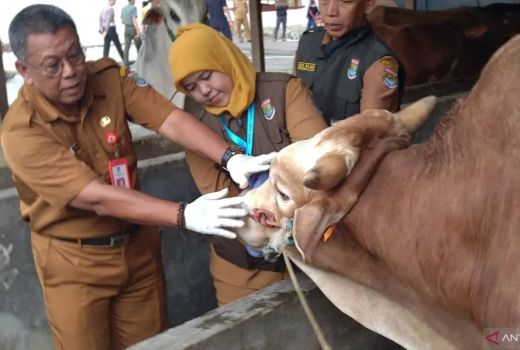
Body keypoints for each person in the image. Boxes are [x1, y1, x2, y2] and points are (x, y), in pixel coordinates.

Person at [2, 5, 274, 350]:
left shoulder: (106, 78)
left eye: (76, 55)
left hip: (138, 248)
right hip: (75, 263)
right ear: (24, 70)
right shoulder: (21, 132)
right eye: (53, 66)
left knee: (151, 343)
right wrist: (186, 214)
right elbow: (98, 198)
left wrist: (230, 158)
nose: (71, 72)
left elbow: (169, 119)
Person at [169, 23, 328, 305]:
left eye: (207, 75)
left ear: (225, 59)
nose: (204, 91)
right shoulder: (193, 124)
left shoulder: (283, 91)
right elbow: (222, 197)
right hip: (241, 270)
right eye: (192, 87)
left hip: (310, 257)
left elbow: (316, 162)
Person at [294, 0, 406, 125]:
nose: (331, 12)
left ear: (368, 5)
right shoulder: (307, 43)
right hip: (301, 141)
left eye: (345, 2)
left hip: (344, 143)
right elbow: (291, 103)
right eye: (324, 0)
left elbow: (370, 136)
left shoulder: (378, 64)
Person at [121, 0, 142, 66]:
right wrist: (138, 31)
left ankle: (126, 63)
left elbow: (122, 20)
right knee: (139, 46)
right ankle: (141, 61)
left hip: (126, 29)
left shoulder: (123, 8)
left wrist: (126, 22)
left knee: (127, 46)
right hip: (133, 28)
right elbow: (134, 20)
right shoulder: (134, 8)